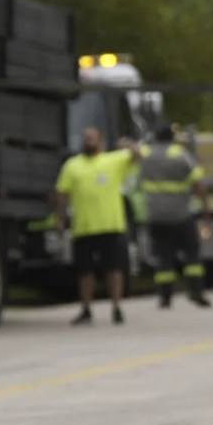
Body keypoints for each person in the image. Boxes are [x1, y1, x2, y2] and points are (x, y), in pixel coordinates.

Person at [53, 126, 144, 326]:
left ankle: (116, 307)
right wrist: (59, 218)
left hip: (111, 226)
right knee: (84, 272)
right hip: (84, 227)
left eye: (92, 138)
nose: (88, 141)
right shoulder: (72, 165)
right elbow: (62, 193)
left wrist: (127, 144)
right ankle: (86, 308)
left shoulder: (113, 160)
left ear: (100, 141)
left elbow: (138, 156)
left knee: (113, 269)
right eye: (86, 138)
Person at [138, 125, 211, 309]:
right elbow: (198, 183)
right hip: (181, 215)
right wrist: (205, 209)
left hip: (156, 215)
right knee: (192, 255)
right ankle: (195, 291)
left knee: (163, 257)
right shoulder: (180, 154)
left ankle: (165, 297)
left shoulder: (146, 154)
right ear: (173, 138)